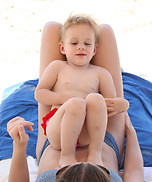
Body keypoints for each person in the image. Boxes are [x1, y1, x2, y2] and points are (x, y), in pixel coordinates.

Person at [7, 17, 147, 182]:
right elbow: (134, 172)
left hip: (54, 140)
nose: (82, 163)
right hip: (103, 136)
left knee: (53, 29)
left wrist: (19, 147)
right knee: (105, 31)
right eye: (101, 173)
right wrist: (130, 132)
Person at [35, 14, 129, 167]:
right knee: (76, 104)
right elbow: (40, 93)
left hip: (88, 133)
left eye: (87, 43)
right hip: (59, 129)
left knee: (96, 99)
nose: (81, 47)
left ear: (94, 50)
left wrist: (123, 105)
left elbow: (110, 104)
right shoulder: (57, 67)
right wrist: (64, 99)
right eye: (74, 43)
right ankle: (66, 155)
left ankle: (95, 153)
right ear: (62, 48)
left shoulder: (101, 74)